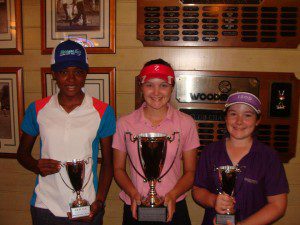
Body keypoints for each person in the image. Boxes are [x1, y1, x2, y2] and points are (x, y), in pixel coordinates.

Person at [17, 40, 116, 225]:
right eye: (64, 72)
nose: (71, 79)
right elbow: (22, 154)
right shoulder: (37, 109)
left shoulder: (103, 111)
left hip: (87, 206)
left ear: (86, 73)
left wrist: (99, 202)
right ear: (54, 74)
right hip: (45, 206)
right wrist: (35, 165)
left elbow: (109, 164)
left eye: (78, 72)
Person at [113, 59, 200, 225]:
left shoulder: (186, 123)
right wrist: (133, 194)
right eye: (149, 85)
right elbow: (118, 169)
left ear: (171, 88)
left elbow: (190, 172)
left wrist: (173, 195)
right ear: (141, 87)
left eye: (163, 85)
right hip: (135, 204)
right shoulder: (124, 124)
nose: (156, 92)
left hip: (173, 204)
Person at [192, 92, 289, 225]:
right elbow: (198, 190)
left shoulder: (269, 157)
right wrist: (213, 200)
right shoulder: (210, 151)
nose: (239, 121)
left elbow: (278, 206)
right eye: (233, 114)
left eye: (247, 115)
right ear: (225, 118)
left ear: (257, 120)